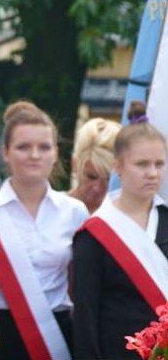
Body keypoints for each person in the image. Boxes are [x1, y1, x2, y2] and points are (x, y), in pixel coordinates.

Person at [0, 101, 89, 360]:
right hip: (0, 335)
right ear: (5, 152)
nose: (34, 155)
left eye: (44, 147)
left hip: (58, 334)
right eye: (23, 147)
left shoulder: (75, 212)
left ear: (56, 153)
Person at [73, 101, 168, 359]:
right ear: (118, 166)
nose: (152, 173)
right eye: (142, 164)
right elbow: (85, 318)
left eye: (159, 164)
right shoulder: (94, 234)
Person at [69, 117, 122, 212]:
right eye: (91, 177)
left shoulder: (130, 216)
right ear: (74, 165)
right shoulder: (52, 210)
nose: (98, 188)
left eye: (108, 179)